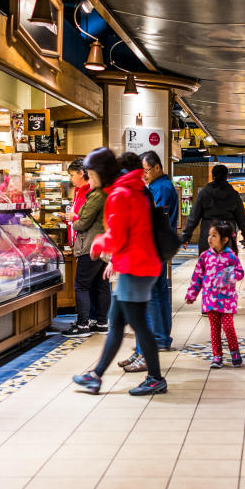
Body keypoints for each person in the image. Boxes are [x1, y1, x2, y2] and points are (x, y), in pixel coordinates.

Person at [71, 149, 167, 397]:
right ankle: (95, 376)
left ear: (101, 173)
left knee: (139, 327)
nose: (89, 181)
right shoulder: (132, 188)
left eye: (91, 176)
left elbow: (118, 235)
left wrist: (99, 244)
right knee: (116, 323)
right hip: (135, 265)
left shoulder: (120, 194)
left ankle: (155, 378)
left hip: (135, 268)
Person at [116, 151, 180, 373]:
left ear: (157, 168)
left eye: (146, 171)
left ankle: (147, 351)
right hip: (156, 251)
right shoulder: (160, 186)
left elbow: (151, 219)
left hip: (152, 251)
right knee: (158, 295)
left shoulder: (160, 188)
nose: (144, 175)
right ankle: (157, 342)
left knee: (150, 301)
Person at [185, 221, 245, 368]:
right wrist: (191, 294)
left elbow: (240, 272)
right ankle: (217, 356)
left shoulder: (231, 256)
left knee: (228, 326)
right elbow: (197, 276)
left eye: (214, 235)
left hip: (227, 300)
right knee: (214, 328)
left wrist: (228, 276)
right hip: (210, 300)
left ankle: (234, 351)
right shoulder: (205, 256)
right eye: (209, 235)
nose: (209, 238)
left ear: (224, 240)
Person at [62, 159, 109, 338]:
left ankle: (82, 325)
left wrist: (74, 220)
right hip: (103, 246)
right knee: (101, 284)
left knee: (81, 285)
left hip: (90, 246)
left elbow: (82, 223)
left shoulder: (96, 196)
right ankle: (102, 322)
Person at [181, 164, 245, 254]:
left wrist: (185, 237)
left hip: (208, 235)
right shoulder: (233, 194)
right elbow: (241, 218)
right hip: (227, 237)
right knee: (227, 264)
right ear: (226, 176)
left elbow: (193, 217)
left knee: (208, 264)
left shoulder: (204, 193)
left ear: (213, 176)